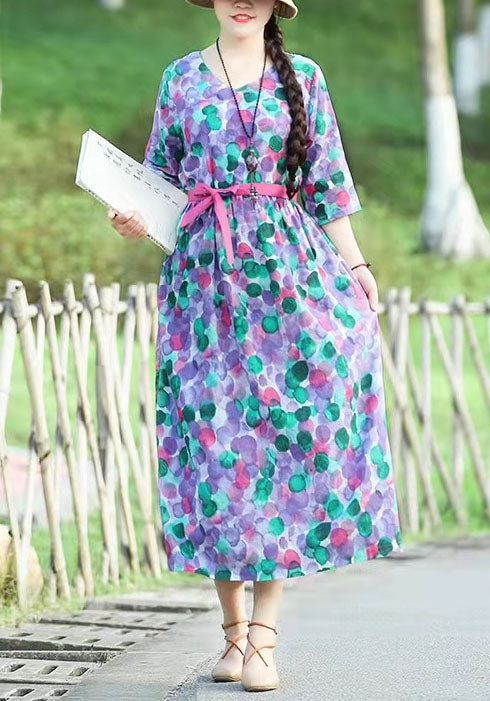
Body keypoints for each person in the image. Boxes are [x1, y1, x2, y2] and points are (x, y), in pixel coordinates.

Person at [107, 0, 404, 692]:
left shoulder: (306, 77)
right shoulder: (180, 79)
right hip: (202, 286)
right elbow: (158, 187)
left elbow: (328, 185)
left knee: (278, 444)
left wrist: (357, 267)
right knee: (217, 446)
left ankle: (264, 638)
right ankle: (232, 633)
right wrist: (134, 219)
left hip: (287, 281)